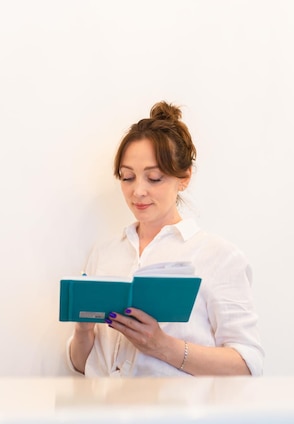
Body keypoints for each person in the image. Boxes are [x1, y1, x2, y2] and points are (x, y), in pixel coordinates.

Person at [66, 101, 264, 377]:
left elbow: (247, 364)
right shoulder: (105, 253)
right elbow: (80, 365)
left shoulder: (218, 256)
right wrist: (82, 329)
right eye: (127, 177)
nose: (138, 192)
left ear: (184, 178)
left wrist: (163, 346)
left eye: (154, 178)